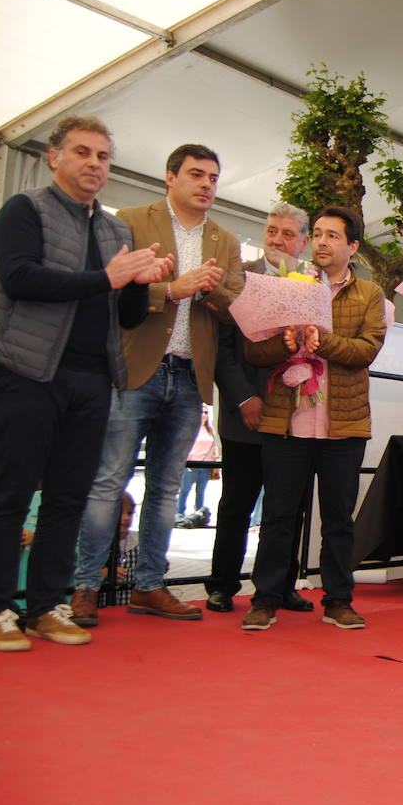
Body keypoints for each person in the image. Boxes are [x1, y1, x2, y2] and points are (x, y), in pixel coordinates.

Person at [0, 115, 171, 651]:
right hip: (26, 371)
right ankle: (0, 607)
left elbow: (128, 312)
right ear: (54, 157)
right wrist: (108, 278)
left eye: (102, 156)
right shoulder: (25, 209)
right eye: (82, 153)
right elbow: (19, 277)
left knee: (69, 498)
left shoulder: (116, 229)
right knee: (9, 494)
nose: (94, 164)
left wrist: (141, 283)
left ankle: (48, 604)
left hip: (94, 378)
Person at [70, 143, 242, 626]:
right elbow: (107, 287)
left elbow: (233, 307)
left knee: (166, 488)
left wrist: (208, 290)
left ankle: (149, 586)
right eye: (196, 175)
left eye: (213, 177)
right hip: (135, 370)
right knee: (108, 482)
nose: (207, 185)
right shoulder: (128, 220)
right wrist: (170, 289)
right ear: (170, 178)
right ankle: (86, 586)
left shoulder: (225, 240)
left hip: (190, 376)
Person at [239, 206, 387, 630]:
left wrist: (322, 343)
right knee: (279, 514)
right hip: (286, 420)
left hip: (343, 422)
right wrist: (285, 346)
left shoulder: (370, 295)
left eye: (333, 236)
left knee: (339, 518)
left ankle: (339, 599)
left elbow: (366, 352)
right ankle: (265, 597)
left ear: (353, 246)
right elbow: (253, 352)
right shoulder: (285, 284)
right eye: (317, 234)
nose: (322, 242)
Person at [204, 203, 314, 613]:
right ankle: (221, 585)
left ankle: (281, 584)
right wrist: (242, 399)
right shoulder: (241, 276)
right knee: (236, 503)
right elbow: (223, 348)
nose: (277, 240)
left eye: (288, 234)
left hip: (295, 418)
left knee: (289, 507)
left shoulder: (312, 283)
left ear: (303, 241)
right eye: (272, 231)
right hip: (245, 413)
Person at [175, 406, 218, 526]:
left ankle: (199, 515)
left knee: (201, 492)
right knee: (185, 490)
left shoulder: (210, 430)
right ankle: (179, 514)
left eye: (206, 412)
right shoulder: (191, 429)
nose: (204, 415)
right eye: (201, 412)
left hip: (206, 465)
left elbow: (213, 446)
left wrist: (215, 458)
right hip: (191, 465)